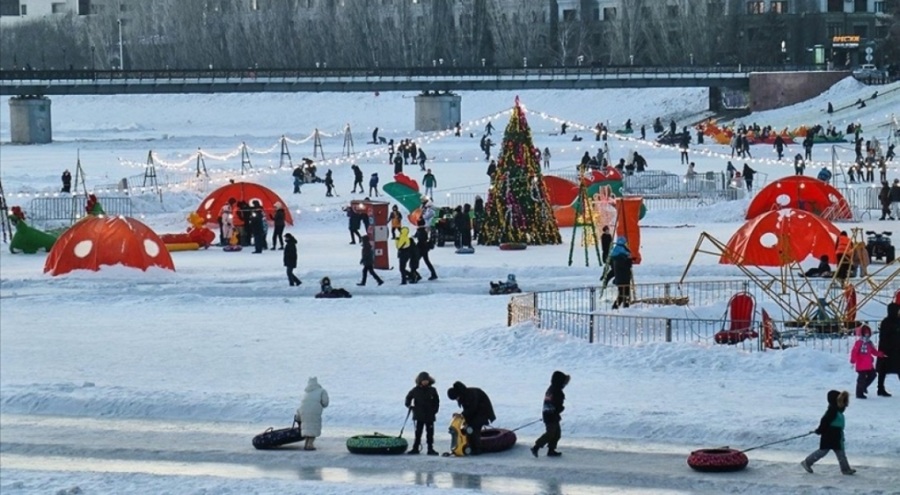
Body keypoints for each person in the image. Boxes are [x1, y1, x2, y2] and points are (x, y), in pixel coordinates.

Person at [801, 390, 854, 475]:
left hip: (836, 435)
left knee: (840, 453)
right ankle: (807, 462)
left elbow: (841, 408)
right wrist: (819, 431)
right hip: (829, 435)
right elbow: (824, 422)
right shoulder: (832, 411)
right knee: (823, 451)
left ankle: (846, 469)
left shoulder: (837, 410)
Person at [447, 381, 496, 456]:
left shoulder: (470, 394)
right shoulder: (463, 395)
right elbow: (468, 409)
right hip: (476, 413)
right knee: (469, 428)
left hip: (483, 412)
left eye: (456, 398)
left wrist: (462, 415)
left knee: (474, 429)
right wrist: (462, 416)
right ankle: (471, 446)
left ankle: (477, 449)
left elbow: (472, 408)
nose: (456, 400)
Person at [530, 370, 570, 458]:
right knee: (550, 433)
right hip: (551, 416)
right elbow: (557, 405)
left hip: (550, 415)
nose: (565, 384)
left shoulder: (551, 389)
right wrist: (560, 409)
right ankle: (536, 447)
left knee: (556, 434)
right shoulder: (557, 392)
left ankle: (551, 450)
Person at [405, 371, 440, 455]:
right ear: (420, 381)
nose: (425, 382)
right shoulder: (415, 390)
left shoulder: (432, 390)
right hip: (419, 415)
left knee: (430, 433)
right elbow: (408, 398)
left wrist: (435, 410)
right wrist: (409, 406)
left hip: (430, 415)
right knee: (418, 433)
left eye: (426, 380)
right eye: (423, 380)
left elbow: (437, 401)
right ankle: (415, 448)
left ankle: (430, 449)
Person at [850, 324, 886, 399]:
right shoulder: (859, 343)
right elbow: (854, 351)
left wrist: (880, 354)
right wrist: (853, 360)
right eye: (865, 333)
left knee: (873, 375)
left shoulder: (869, 343)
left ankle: (864, 386)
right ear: (862, 333)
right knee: (861, 379)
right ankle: (859, 393)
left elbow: (873, 351)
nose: (867, 335)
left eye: (868, 333)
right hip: (861, 364)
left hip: (869, 364)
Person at [295, 377, 329, 451]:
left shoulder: (306, 393)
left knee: (307, 428)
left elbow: (301, 405)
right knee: (313, 428)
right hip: (314, 412)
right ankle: (310, 445)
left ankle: (306, 444)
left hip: (303, 412)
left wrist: (298, 415)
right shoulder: (322, 391)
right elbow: (325, 403)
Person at [876, 303, 899, 397]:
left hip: (896, 350)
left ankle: (880, 388)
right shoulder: (886, 322)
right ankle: (880, 388)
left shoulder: (897, 321)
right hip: (888, 350)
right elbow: (884, 336)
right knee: (883, 370)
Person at [608, 237, 633, 309]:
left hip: (620, 278)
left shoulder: (616, 254)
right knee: (624, 294)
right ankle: (618, 307)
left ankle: (623, 306)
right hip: (624, 278)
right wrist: (629, 260)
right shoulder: (622, 255)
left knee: (622, 293)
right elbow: (626, 266)